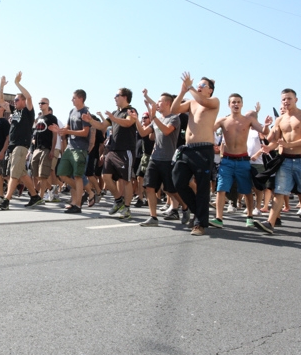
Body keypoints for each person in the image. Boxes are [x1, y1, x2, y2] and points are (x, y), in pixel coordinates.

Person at [255, 89, 301, 235]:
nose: (286, 102)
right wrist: (268, 146)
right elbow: (274, 140)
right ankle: (270, 222)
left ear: (296, 99)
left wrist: (288, 145)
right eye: (283, 99)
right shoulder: (280, 120)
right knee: (279, 191)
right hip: (285, 160)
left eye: (289, 98)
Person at [170, 72, 220, 236]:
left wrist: (191, 87)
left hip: (204, 149)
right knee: (178, 181)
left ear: (210, 90)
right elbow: (174, 109)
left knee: (203, 187)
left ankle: (200, 223)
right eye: (198, 84)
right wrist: (183, 91)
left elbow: (202, 101)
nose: (199, 86)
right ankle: (198, 212)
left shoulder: (213, 101)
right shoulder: (191, 101)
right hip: (187, 149)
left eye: (203, 85)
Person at [210, 94, 271, 228]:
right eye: (233, 102)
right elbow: (208, 130)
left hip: (243, 160)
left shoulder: (248, 120)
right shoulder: (222, 121)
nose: (236, 104)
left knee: (247, 190)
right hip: (226, 160)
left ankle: (249, 216)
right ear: (229, 105)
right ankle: (218, 218)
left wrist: (266, 125)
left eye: (238, 102)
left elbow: (263, 131)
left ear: (242, 104)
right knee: (221, 189)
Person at [83, 88, 137, 220]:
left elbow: (129, 122)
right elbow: (102, 126)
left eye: (116, 95)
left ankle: (127, 208)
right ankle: (118, 200)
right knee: (106, 176)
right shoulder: (114, 113)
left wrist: (114, 119)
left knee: (126, 180)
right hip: (113, 150)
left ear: (124, 97)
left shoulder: (131, 110)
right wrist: (90, 120)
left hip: (126, 150)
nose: (114, 98)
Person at [135, 91, 183, 227]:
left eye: (160, 102)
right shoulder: (157, 119)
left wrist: (154, 117)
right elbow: (144, 132)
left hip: (168, 159)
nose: (157, 104)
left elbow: (167, 131)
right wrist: (136, 120)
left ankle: (185, 207)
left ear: (167, 103)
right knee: (149, 187)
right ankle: (153, 217)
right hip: (154, 158)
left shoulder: (174, 118)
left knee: (170, 190)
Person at [0, 72, 43, 210]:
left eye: (16, 100)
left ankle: (6, 200)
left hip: (21, 145)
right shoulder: (14, 111)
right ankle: (35, 196)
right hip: (13, 146)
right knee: (21, 172)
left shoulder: (28, 111)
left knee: (14, 174)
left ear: (22, 101)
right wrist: (1, 86)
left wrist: (17, 83)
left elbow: (29, 96)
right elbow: (0, 102)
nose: (14, 102)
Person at [53, 89, 91, 213]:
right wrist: (60, 130)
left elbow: (85, 132)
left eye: (74, 98)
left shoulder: (85, 112)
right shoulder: (72, 111)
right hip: (70, 147)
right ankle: (83, 192)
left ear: (81, 98)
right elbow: (67, 127)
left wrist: (68, 132)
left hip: (80, 149)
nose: (72, 100)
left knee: (78, 176)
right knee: (62, 173)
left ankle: (77, 204)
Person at [31, 97, 58, 201]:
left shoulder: (52, 118)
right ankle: (50, 188)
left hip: (46, 148)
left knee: (43, 175)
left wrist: (52, 150)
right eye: (39, 103)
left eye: (43, 103)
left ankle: (40, 197)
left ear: (48, 104)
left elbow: (54, 135)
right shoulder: (38, 119)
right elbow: (35, 133)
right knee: (35, 174)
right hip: (37, 148)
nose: (40, 105)